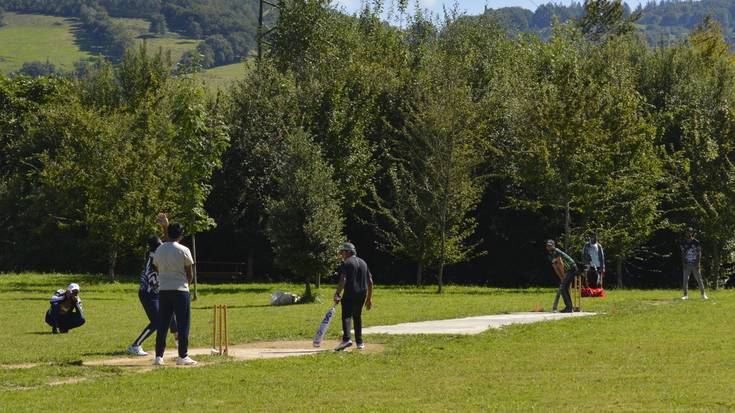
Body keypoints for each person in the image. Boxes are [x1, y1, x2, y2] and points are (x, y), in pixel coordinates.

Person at [152, 218, 197, 366]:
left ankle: (159, 356)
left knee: (163, 323)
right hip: (180, 290)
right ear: (181, 235)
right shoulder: (184, 250)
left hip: (164, 290)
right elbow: (190, 273)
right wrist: (186, 284)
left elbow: (156, 267)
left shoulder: (160, 249)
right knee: (183, 324)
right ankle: (182, 356)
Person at [126, 231, 179, 356]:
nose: (163, 245)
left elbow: (169, 245)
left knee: (170, 313)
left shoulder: (157, 254)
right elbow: (153, 280)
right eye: (161, 244)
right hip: (148, 294)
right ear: (157, 246)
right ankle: (135, 346)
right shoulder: (155, 257)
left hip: (156, 292)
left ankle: (178, 341)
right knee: (157, 322)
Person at [333, 242, 373, 351]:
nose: (341, 254)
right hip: (362, 294)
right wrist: (369, 298)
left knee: (346, 316)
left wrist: (337, 293)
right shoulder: (363, 262)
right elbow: (370, 281)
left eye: (343, 252)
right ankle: (359, 342)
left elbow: (343, 279)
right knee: (357, 316)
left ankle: (346, 340)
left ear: (348, 252)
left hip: (350, 292)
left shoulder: (346, 263)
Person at [545, 239, 578, 313]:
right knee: (564, 288)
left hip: (572, 268)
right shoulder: (550, 256)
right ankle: (569, 307)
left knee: (563, 288)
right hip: (568, 271)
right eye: (547, 245)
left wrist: (563, 276)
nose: (549, 247)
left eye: (550, 245)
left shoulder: (556, 251)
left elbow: (560, 263)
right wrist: (561, 278)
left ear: (553, 245)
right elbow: (555, 267)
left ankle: (569, 308)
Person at [680, 228, 707, 300]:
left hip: (695, 263)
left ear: (692, 233)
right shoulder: (683, 242)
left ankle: (703, 294)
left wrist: (698, 263)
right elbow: (682, 253)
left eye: (690, 232)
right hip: (687, 263)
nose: (688, 233)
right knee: (685, 280)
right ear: (685, 233)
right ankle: (685, 295)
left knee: (699, 279)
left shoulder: (696, 242)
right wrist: (683, 263)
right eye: (687, 232)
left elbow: (699, 253)